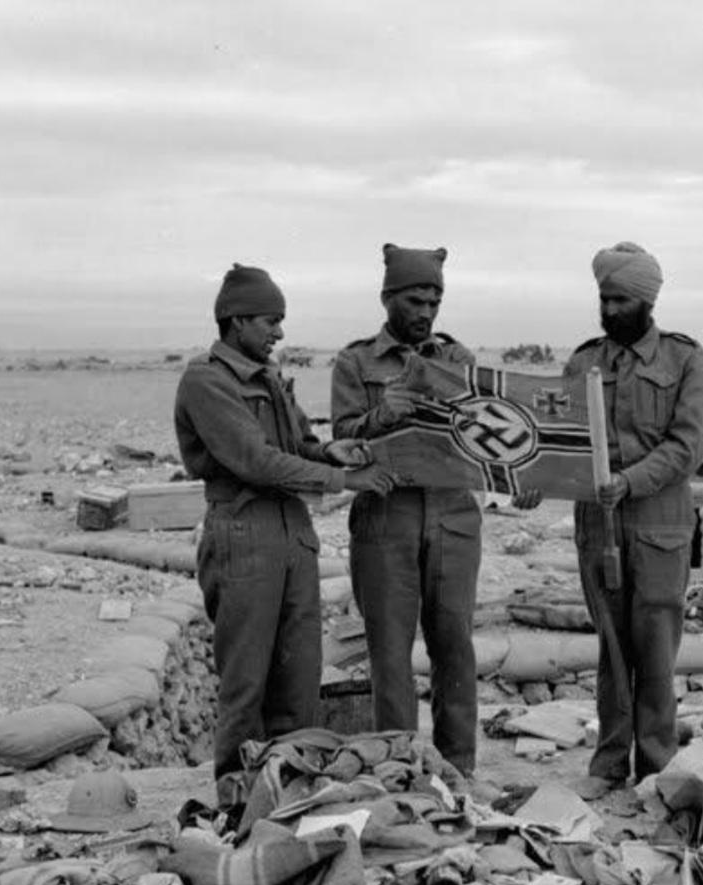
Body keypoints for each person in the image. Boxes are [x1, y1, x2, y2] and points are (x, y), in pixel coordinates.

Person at [174, 263, 394, 807]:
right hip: (243, 532)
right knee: (246, 681)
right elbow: (256, 461)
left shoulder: (269, 376)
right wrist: (342, 478)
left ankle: (291, 793)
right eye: (271, 321)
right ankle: (236, 803)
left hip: (292, 533)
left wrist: (327, 451)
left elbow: (297, 442)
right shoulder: (206, 381)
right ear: (236, 320)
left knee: (300, 678)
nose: (278, 333)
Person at [330, 244, 499, 780]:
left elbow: (489, 437)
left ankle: (458, 773)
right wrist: (383, 415)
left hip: (452, 515)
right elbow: (342, 441)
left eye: (435, 300)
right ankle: (400, 773)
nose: (426, 311)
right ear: (387, 299)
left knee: (454, 647)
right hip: (386, 517)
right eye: (415, 300)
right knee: (389, 653)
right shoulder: (355, 363)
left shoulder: (458, 361)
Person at [564, 242, 703, 800]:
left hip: (659, 522)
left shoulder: (684, 359)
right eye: (603, 298)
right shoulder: (583, 362)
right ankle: (607, 764)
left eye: (620, 299)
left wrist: (630, 481)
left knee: (654, 647)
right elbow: (563, 441)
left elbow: (687, 446)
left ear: (648, 301)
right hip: (597, 525)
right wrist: (536, 481)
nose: (608, 309)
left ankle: (654, 765)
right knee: (610, 646)